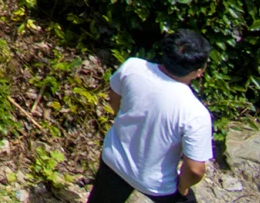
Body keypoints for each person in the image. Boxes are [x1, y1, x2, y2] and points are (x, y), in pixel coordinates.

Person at [86, 31, 213, 203]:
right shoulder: (195, 113)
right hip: (156, 183)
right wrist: (182, 187)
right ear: (199, 71)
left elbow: (115, 97)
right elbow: (195, 170)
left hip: (114, 160)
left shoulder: (133, 67)